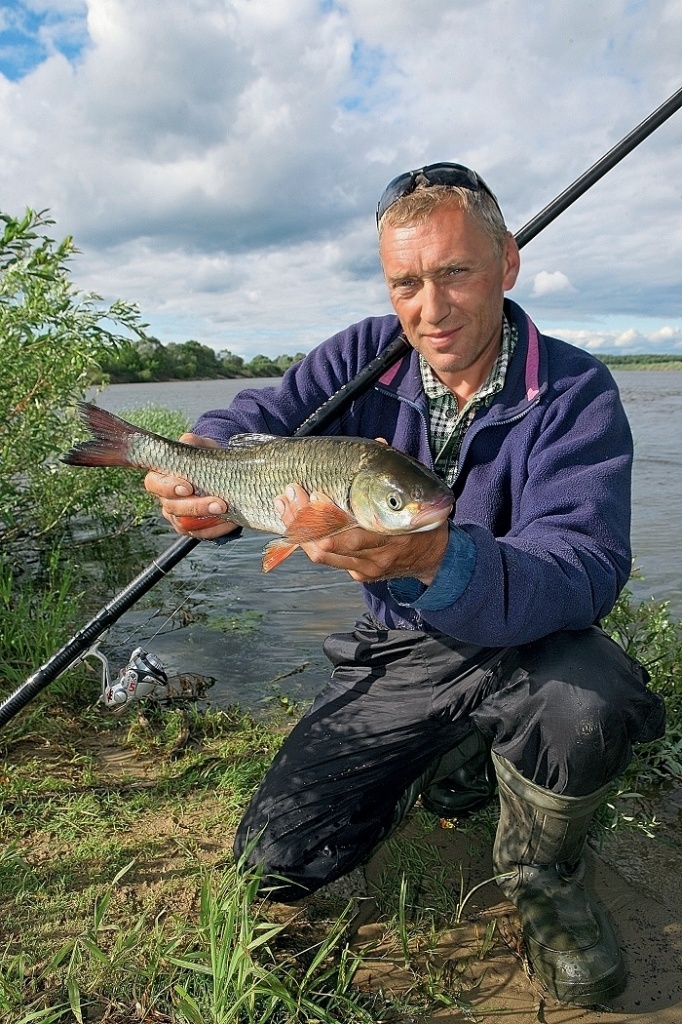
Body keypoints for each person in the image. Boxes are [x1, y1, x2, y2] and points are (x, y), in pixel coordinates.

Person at [144, 163, 665, 1007]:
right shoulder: (362, 356)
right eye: (406, 283)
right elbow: (260, 420)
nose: (431, 308)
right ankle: (443, 757)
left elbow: (584, 567)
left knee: (588, 701)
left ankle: (545, 874)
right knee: (272, 858)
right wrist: (201, 466)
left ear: (508, 264)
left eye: (456, 272)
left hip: (533, 645)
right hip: (401, 647)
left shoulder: (575, 393)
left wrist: (438, 561)